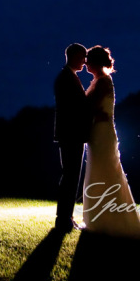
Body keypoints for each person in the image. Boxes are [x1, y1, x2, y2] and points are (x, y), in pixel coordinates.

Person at [81, 45, 140, 239]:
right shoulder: (99, 81)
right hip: (99, 132)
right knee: (100, 170)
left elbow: (88, 106)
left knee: (105, 171)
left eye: (88, 60)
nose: (85, 64)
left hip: (102, 133)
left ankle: (109, 220)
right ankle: (99, 217)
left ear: (96, 62)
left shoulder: (102, 83)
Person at [53, 42, 93, 231]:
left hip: (71, 134)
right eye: (83, 57)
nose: (85, 62)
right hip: (71, 135)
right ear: (74, 56)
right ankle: (64, 219)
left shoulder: (68, 77)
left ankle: (65, 217)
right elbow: (74, 108)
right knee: (70, 176)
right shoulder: (66, 78)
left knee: (70, 175)